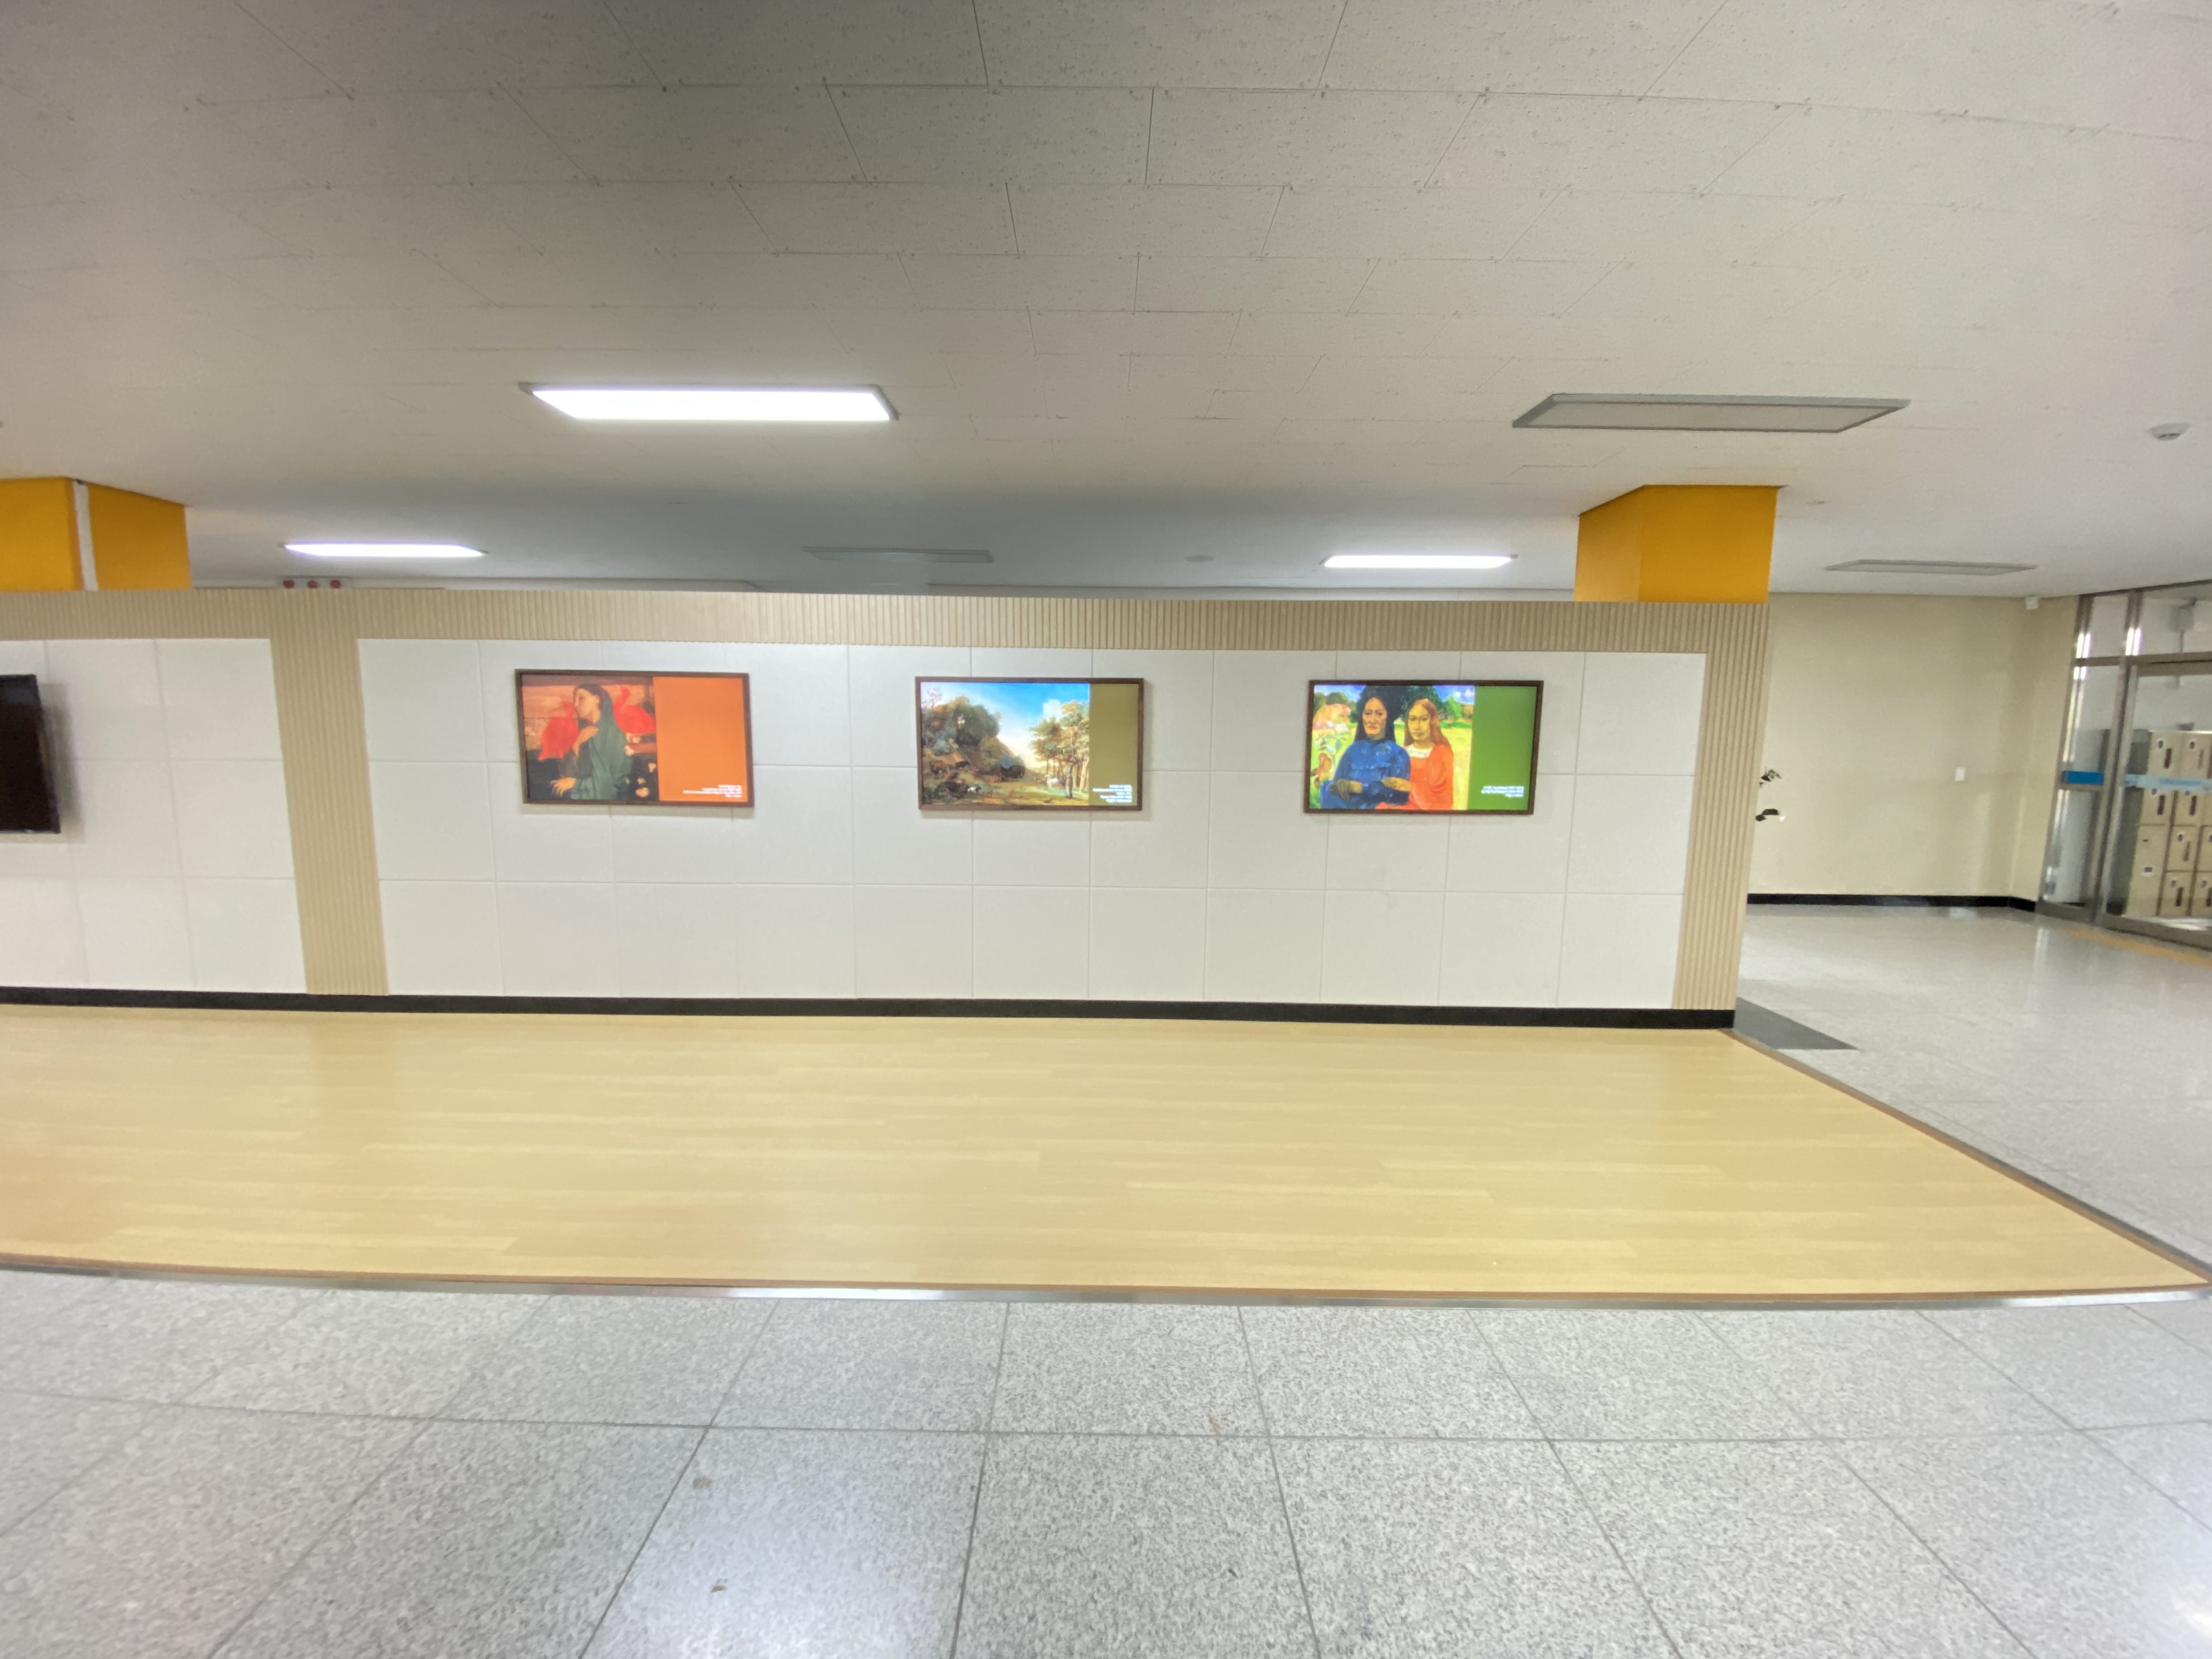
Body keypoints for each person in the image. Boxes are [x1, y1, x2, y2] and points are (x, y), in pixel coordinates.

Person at [1319, 689, 1410, 809]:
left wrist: (1361, 788)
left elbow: (1400, 796)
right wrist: (1338, 786)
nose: (1372, 720)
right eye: (1368, 713)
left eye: (1379, 714)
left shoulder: (1398, 754)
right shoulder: (1352, 751)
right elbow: (1334, 788)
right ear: (1362, 717)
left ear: (1388, 718)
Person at [548, 682, 630, 800]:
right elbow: (567, 774)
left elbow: (607, 784)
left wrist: (575, 783)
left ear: (597, 699)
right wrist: (577, 743)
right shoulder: (584, 731)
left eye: (581, 698)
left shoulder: (610, 734)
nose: (575, 705)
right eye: (575, 700)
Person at [1381, 696, 1455, 811]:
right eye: (1413, 719)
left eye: (1424, 719)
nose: (1417, 726)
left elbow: (1443, 802)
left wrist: (1410, 787)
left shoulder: (1441, 753)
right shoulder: (1401, 753)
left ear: (1433, 722)